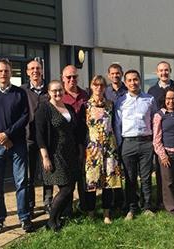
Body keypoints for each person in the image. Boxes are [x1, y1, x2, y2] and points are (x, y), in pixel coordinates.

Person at [0, 58, 34, 236]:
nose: (3, 74)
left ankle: (24, 218)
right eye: (0, 71)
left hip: (17, 144)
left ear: (11, 73)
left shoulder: (20, 93)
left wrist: (8, 134)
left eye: (7, 71)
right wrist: (0, 137)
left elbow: (25, 116)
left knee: (21, 183)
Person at [35, 80, 79, 231]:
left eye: (60, 90)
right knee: (66, 188)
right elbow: (39, 135)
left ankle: (58, 217)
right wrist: (45, 156)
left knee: (70, 186)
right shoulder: (44, 108)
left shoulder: (68, 107)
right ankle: (51, 221)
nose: (58, 93)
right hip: (55, 153)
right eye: (54, 91)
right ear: (48, 93)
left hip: (70, 153)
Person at [114, 69, 157, 220]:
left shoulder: (150, 99)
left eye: (135, 79)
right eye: (130, 80)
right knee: (130, 178)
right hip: (128, 143)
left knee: (145, 177)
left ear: (140, 80)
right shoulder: (120, 102)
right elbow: (118, 125)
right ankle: (132, 208)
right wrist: (120, 146)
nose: (133, 83)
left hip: (146, 143)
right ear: (125, 83)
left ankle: (147, 206)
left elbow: (154, 121)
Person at [85, 75, 123, 224]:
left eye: (101, 85)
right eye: (96, 85)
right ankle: (91, 213)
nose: (99, 88)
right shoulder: (86, 105)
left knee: (108, 182)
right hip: (93, 149)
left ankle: (107, 214)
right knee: (91, 183)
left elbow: (114, 125)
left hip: (109, 148)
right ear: (91, 86)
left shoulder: (110, 105)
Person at [148, 61, 174, 208]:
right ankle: (162, 202)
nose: (164, 73)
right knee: (163, 175)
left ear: (169, 71)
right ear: (157, 73)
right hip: (162, 137)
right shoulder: (152, 90)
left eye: (166, 70)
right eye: (161, 70)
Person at [20, 59, 50, 216]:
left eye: (38, 68)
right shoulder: (21, 91)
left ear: (42, 71)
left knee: (47, 173)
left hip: (47, 139)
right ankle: (30, 205)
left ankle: (48, 202)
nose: (35, 71)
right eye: (31, 68)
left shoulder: (49, 90)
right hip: (28, 138)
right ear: (27, 72)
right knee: (29, 175)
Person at [153, 87, 174, 215]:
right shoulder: (159, 115)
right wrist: (162, 155)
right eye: (168, 98)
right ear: (164, 99)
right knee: (169, 182)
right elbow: (156, 138)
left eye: (173, 98)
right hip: (167, 153)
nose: (171, 101)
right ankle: (172, 207)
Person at [61, 65, 89, 213]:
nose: (72, 80)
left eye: (75, 77)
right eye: (69, 77)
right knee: (68, 176)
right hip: (65, 143)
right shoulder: (59, 95)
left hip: (82, 141)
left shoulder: (85, 95)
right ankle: (67, 209)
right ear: (63, 78)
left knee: (83, 175)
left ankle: (85, 206)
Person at [104, 63, 126, 213]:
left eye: (117, 73)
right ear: (108, 75)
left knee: (126, 171)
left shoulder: (128, 90)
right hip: (109, 138)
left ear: (122, 74)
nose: (115, 76)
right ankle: (112, 202)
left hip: (126, 135)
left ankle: (125, 201)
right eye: (112, 73)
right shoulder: (105, 92)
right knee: (111, 171)